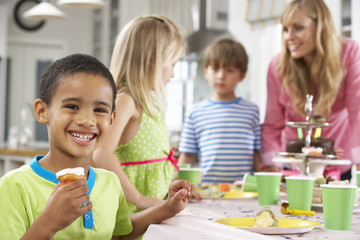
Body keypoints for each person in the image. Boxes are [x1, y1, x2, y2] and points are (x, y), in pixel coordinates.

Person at [0, 54, 193, 240]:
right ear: (42, 112)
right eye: (72, 106)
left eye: (100, 110)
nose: (87, 120)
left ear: (111, 119)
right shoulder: (14, 186)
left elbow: (118, 234)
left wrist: (167, 208)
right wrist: (49, 222)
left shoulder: (110, 182)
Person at [92, 15, 200, 214]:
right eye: (173, 65)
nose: (174, 74)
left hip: (150, 210)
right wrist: (139, 199)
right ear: (152, 60)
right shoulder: (126, 100)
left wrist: (174, 191)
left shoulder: (146, 102)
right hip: (131, 212)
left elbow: (151, 164)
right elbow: (101, 153)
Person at [261, 0, 360, 180]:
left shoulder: (349, 53)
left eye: (298, 28)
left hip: (337, 160)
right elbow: (272, 124)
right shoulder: (277, 66)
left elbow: (358, 112)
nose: (289, 36)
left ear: (321, 27)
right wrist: (271, 165)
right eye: (285, 29)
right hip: (293, 164)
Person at [178, 38, 262, 184]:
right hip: (206, 190)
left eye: (229, 70)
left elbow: (256, 154)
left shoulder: (252, 111)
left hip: (244, 192)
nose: (221, 76)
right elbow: (187, 157)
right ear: (206, 72)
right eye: (215, 69)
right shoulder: (194, 112)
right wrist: (177, 184)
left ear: (242, 75)